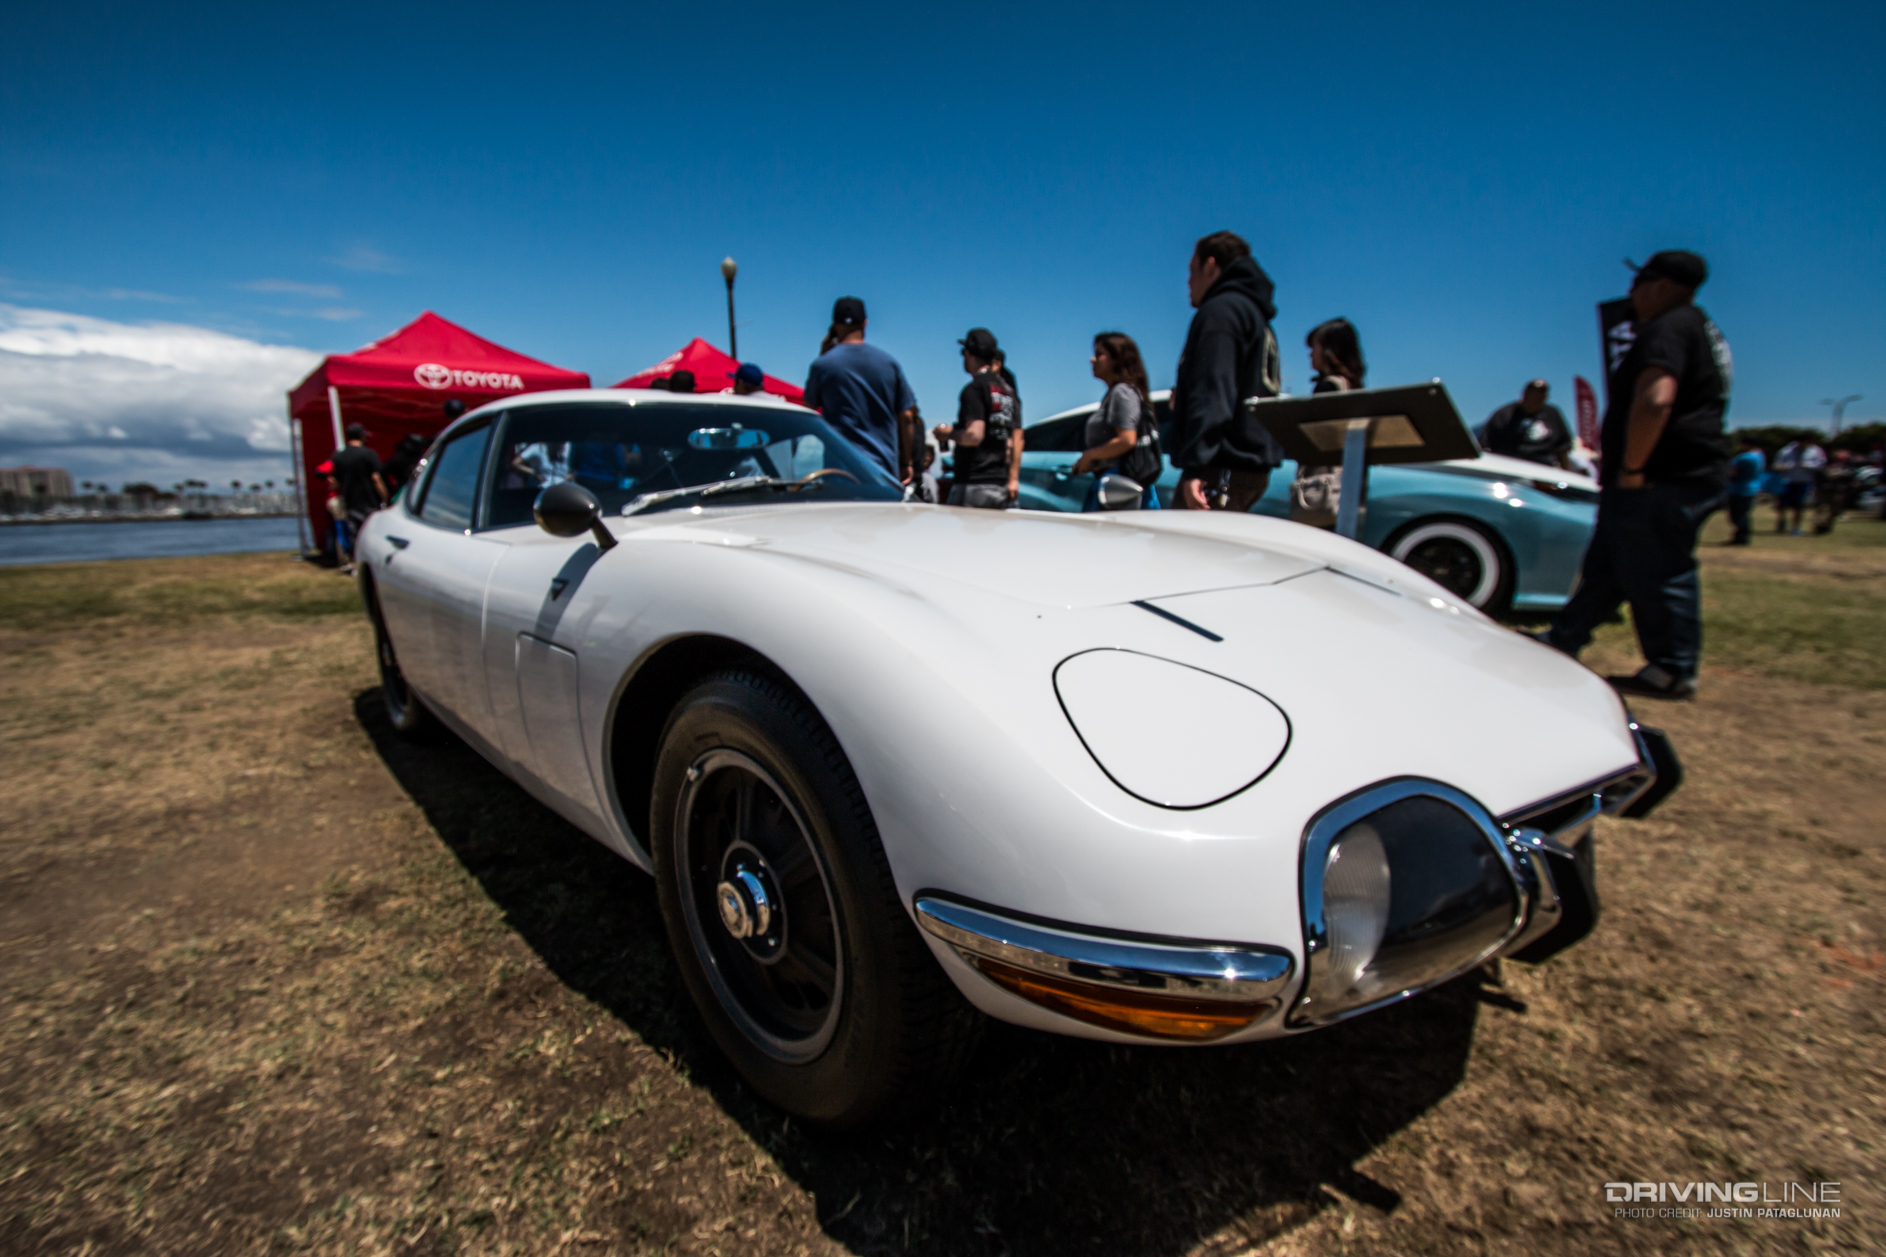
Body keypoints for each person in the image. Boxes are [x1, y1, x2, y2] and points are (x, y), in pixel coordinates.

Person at [1539, 250, 1732, 701]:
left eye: (1639, 283)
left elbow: (1656, 399)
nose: (1630, 293)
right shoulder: (1699, 328)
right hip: (1669, 476)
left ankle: (1672, 669)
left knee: (1659, 570)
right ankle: (1565, 638)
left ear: (1662, 286)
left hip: (1660, 477)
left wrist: (1633, 467)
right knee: (1610, 564)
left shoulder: (1670, 326)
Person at [1168, 231, 1282, 511]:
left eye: (1192, 271)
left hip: (1218, 471)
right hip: (1242, 470)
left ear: (1210, 266)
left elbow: (1213, 390)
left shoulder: (1221, 312)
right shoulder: (1252, 314)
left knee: (1187, 540)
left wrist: (1196, 465)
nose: (1188, 282)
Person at [803, 296, 919, 484]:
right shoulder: (889, 363)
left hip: (840, 471)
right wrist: (906, 462)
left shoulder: (822, 365)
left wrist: (823, 354)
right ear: (865, 323)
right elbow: (906, 417)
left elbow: (808, 407)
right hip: (882, 471)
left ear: (834, 326)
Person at [933, 327, 1022, 508]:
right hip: (1000, 482)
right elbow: (1017, 438)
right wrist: (1013, 478)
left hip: (973, 483)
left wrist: (948, 434)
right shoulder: (1007, 392)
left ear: (969, 354)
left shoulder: (974, 389)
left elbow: (974, 435)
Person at [1290, 318, 1366, 527]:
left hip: (1324, 486)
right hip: (1348, 482)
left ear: (1329, 351)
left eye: (1314, 347)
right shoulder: (1351, 384)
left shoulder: (1329, 386)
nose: (1310, 355)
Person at [1072, 332, 1162, 511]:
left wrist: (1090, 455)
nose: (1092, 360)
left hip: (1119, 488)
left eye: (1099, 354)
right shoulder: (1117, 393)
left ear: (1117, 359)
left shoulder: (1122, 392)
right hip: (1116, 483)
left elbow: (1127, 440)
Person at [330, 424, 387, 572]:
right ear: (361, 436)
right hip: (369, 501)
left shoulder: (338, 456)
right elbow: (376, 478)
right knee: (373, 533)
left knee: (354, 535)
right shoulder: (369, 454)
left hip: (350, 501)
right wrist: (385, 497)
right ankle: (374, 564)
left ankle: (358, 565)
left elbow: (334, 483)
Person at [1481, 380, 1574, 469]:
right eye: (1531, 393)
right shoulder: (1505, 414)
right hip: (1508, 464)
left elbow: (1562, 447)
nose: (1534, 398)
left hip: (1542, 467)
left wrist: (1566, 472)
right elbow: (1485, 443)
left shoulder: (1552, 414)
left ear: (1545, 397)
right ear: (1524, 393)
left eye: (1539, 395)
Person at [1772, 437, 1824, 534]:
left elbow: (1821, 465)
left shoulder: (1815, 451)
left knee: (1799, 506)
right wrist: (1785, 467)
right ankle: (1781, 522)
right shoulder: (1786, 451)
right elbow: (1776, 465)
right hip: (1787, 481)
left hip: (1804, 482)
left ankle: (1795, 527)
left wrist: (1808, 466)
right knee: (1782, 505)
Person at [1726, 434, 1764, 545]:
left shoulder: (1745, 458)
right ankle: (1741, 536)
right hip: (1752, 487)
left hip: (1740, 489)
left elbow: (1734, 472)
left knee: (1737, 514)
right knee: (1744, 513)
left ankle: (1741, 537)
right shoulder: (1760, 455)